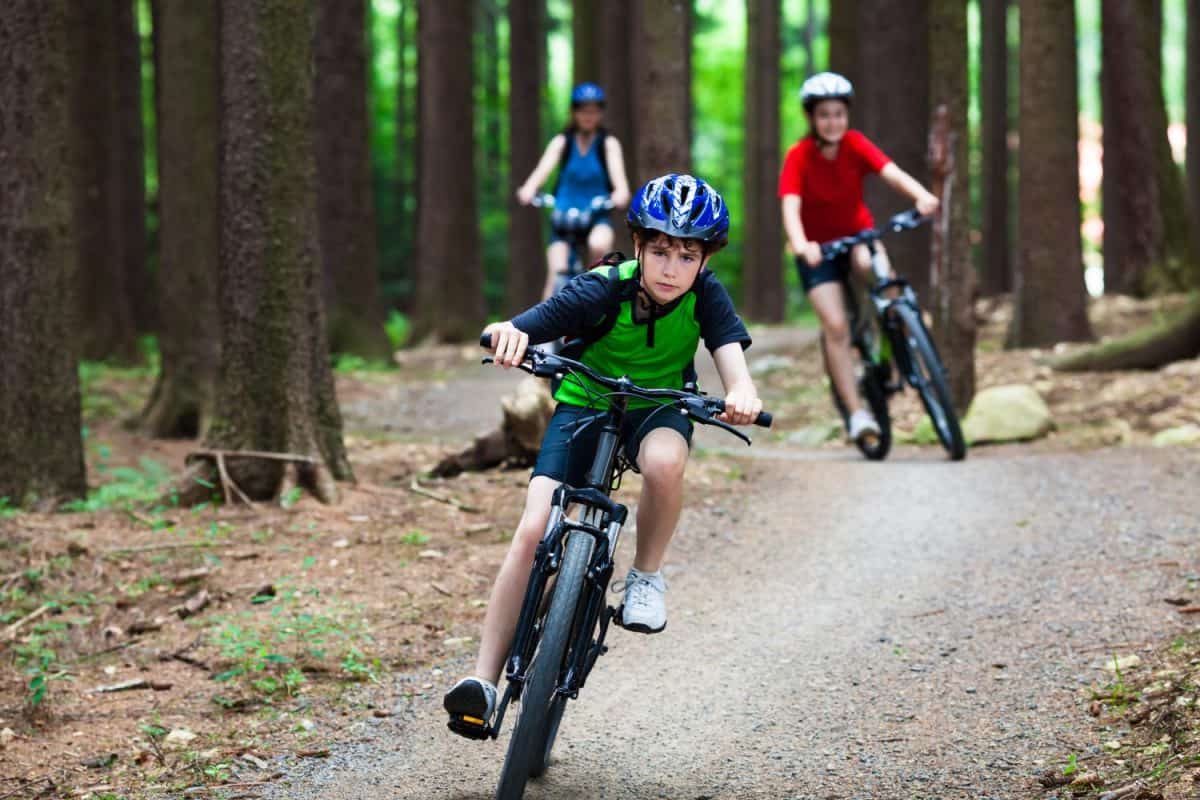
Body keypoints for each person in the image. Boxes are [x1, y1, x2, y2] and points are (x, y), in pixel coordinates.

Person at [444, 174, 762, 733]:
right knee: (533, 526)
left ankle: (645, 575)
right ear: (637, 244)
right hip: (584, 401)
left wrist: (741, 393)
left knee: (665, 462)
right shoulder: (602, 286)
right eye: (659, 250)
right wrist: (507, 334)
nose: (671, 267)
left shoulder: (707, 295)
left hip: (657, 406)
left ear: (705, 259)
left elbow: (732, 360)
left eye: (687, 255)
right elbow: (530, 323)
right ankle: (485, 683)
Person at [778, 72, 939, 444]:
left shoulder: (855, 144)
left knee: (872, 267)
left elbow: (891, 173)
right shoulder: (799, 156)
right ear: (812, 119)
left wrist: (922, 196)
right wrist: (802, 244)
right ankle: (856, 414)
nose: (832, 122)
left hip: (856, 237)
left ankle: (900, 330)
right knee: (835, 327)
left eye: (838, 113)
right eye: (824, 115)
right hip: (817, 252)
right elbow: (790, 206)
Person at [516, 82, 633, 299]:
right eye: (583, 110)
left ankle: (596, 298)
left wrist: (620, 195)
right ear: (574, 112)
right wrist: (529, 189)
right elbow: (543, 169)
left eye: (594, 110)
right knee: (555, 273)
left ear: (600, 113)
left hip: (596, 216)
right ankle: (545, 330)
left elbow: (621, 185)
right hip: (563, 218)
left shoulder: (608, 144)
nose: (588, 116)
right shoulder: (563, 142)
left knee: (600, 248)